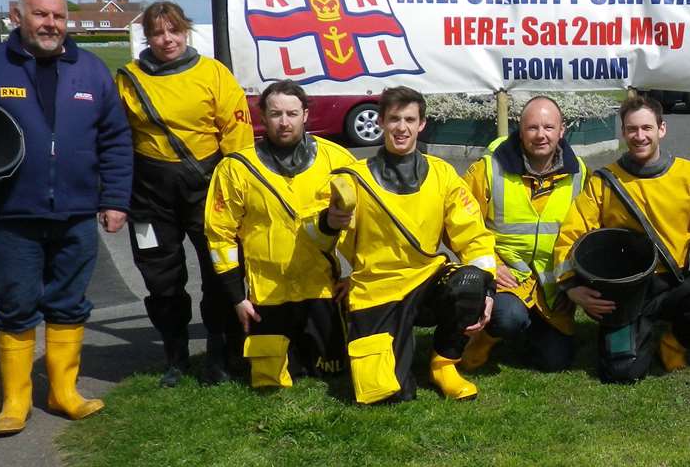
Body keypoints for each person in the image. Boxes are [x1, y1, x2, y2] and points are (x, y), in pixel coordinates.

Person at [0, 0, 131, 436]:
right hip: (12, 213)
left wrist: (116, 199)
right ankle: (16, 399)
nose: (51, 25)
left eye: (59, 17)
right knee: (17, 302)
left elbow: (116, 140)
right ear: (17, 16)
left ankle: (63, 392)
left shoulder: (90, 71)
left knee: (70, 302)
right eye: (42, 15)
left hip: (77, 213)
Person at [321, 86, 497, 403]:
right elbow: (321, 237)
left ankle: (445, 364)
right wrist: (330, 223)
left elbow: (472, 234)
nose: (402, 128)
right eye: (394, 119)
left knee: (470, 281)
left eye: (409, 119)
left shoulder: (443, 174)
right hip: (376, 287)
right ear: (381, 122)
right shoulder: (353, 179)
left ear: (422, 124)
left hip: (426, 279)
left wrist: (488, 289)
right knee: (388, 394)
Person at [554, 95, 690, 383]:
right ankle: (635, 334)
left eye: (647, 128)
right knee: (621, 374)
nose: (640, 136)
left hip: (672, 283)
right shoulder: (604, 181)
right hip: (624, 292)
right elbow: (571, 235)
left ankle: (672, 342)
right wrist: (570, 286)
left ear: (661, 129)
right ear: (624, 133)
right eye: (632, 129)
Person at [116, 1, 252, 385]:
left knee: (219, 271)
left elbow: (237, 136)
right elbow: (116, 140)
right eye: (157, 32)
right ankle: (175, 356)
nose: (166, 39)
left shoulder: (214, 74)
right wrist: (113, 196)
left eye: (173, 30)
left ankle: (219, 351)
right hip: (149, 196)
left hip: (208, 190)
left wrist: (238, 193)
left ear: (185, 31)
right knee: (161, 278)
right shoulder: (127, 80)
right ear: (147, 36)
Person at [204, 81, 355, 388]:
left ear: (306, 115)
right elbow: (220, 236)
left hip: (321, 290)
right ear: (262, 116)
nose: (284, 122)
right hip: (266, 294)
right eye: (275, 114)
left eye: (292, 113)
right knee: (269, 381)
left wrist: (356, 277)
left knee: (331, 370)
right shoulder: (236, 168)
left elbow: (367, 225)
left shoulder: (337, 160)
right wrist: (236, 297)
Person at [459, 96, 588, 374]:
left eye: (549, 127)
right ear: (520, 129)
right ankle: (484, 340)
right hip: (506, 278)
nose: (541, 135)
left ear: (562, 130)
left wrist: (573, 281)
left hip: (551, 286)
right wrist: (490, 263)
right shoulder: (488, 169)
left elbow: (584, 231)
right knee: (508, 317)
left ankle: (530, 332)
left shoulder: (579, 173)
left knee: (555, 362)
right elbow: (461, 225)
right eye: (532, 128)